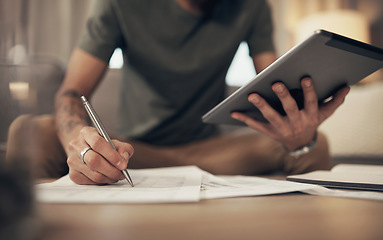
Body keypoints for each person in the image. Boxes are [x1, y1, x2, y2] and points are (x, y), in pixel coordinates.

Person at [7, 0, 350, 185]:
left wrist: (296, 132)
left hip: (211, 151)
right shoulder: (118, 4)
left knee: (314, 147)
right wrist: (76, 142)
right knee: (29, 132)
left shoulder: (251, 6)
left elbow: (275, 85)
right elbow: (71, 92)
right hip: (131, 150)